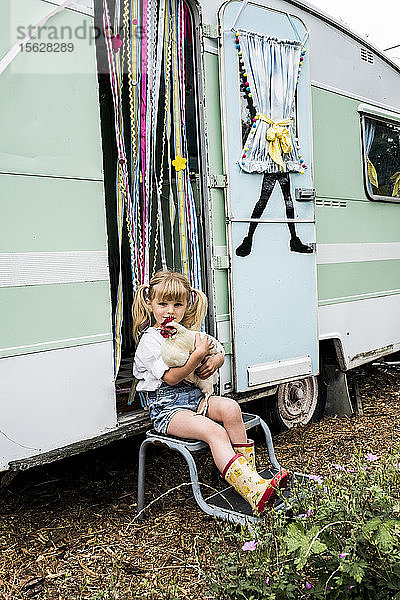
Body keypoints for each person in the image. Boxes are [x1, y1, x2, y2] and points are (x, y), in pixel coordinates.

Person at [132, 270, 289, 513]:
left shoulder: (187, 333)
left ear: (186, 306)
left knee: (231, 407)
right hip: (169, 410)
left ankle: (249, 482)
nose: (170, 311)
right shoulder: (150, 341)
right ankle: (253, 488)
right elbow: (172, 379)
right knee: (214, 431)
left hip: (196, 400)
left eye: (177, 304)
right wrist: (196, 357)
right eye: (162, 304)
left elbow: (216, 350)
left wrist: (216, 360)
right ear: (150, 304)